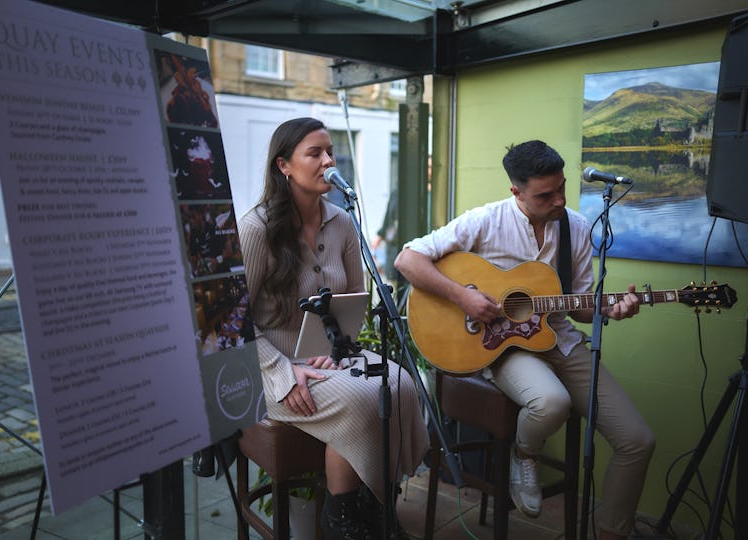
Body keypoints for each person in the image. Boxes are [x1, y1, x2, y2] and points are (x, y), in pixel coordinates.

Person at [394, 140, 655, 540]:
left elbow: (579, 306)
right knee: (552, 402)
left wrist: (611, 309)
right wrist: (464, 296)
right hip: (500, 347)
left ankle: (612, 531)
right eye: (545, 194)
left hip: (560, 341)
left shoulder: (577, 228)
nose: (558, 200)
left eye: (562, 188)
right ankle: (525, 454)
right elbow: (407, 259)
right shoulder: (484, 221)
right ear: (516, 191)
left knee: (638, 440)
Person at [238, 117, 429, 540]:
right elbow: (233, 323)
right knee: (365, 399)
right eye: (315, 153)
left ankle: (375, 508)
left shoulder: (342, 221)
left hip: (330, 351)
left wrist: (335, 348)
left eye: (331, 151)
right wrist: (282, 370)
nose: (328, 161)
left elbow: (356, 297)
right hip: (273, 364)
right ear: (284, 165)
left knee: (399, 383)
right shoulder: (255, 229)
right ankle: (342, 518)